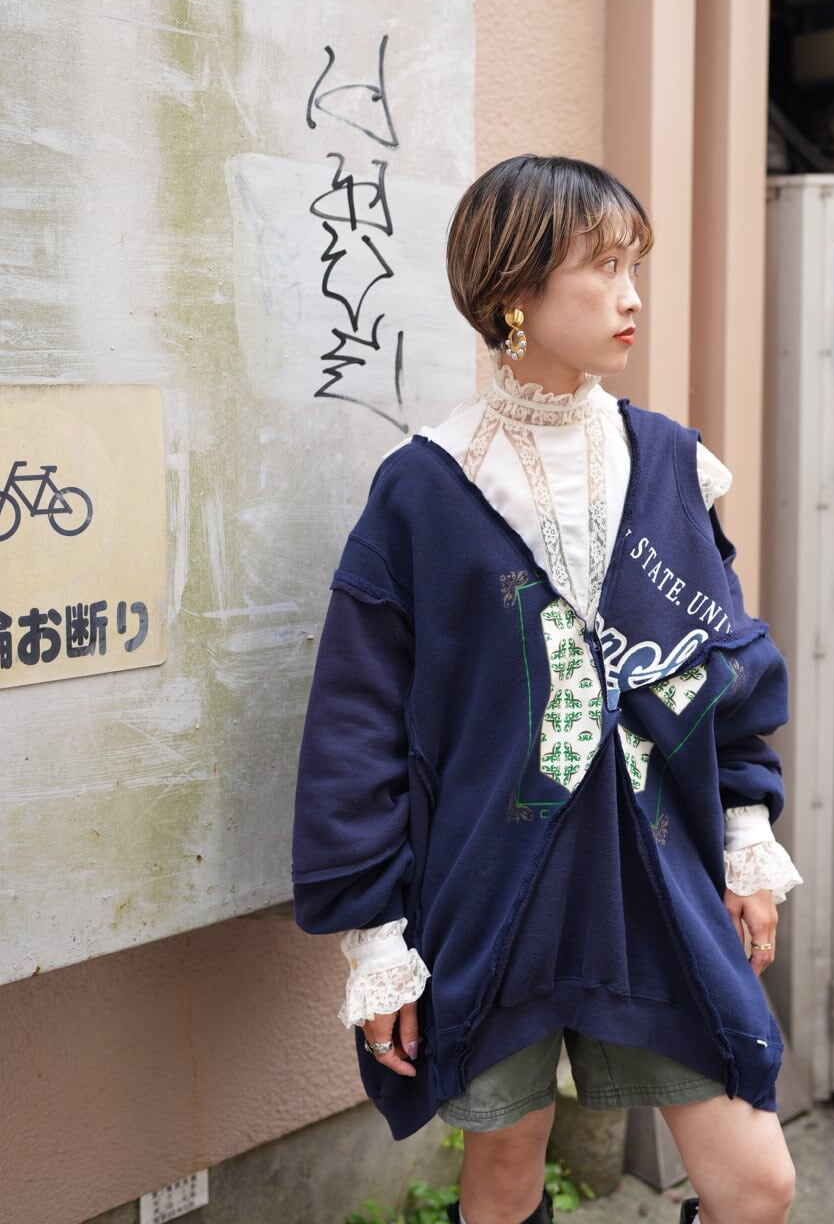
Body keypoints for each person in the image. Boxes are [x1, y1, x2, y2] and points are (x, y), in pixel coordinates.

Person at [293, 156, 802, 1224]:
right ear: (515, 292)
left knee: (757, 1186)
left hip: (654, 881)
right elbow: (355, 723)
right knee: (504, 1172)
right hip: (496, 889)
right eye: (602, 267)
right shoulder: (426, 487)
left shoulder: (671, 465)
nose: (631, 295)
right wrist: (375, 941)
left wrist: (747, 829)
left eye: (634, 266)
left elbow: (725, 668)